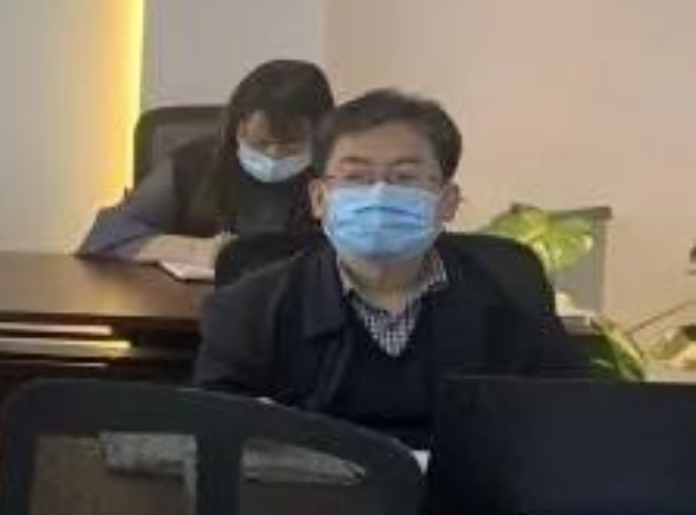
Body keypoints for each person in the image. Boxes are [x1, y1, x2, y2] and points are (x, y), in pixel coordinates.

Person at [194, 88, 592, 445]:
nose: (379, 194)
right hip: (315, 499)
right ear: (319, 199)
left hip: (469, 499)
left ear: (447, 201)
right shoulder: (248, 309)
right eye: (356, 176)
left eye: (404, 177)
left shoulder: (510, 298)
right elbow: (213, 447)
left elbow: (574, 421)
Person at [80, 59, 336, 267]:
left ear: (321, 135)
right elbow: (106, 236)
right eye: (260, 143)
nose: (273, 155)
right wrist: (197, 250)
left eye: (291, 145)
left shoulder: (336, 175)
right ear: (238, 128)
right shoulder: (194, 164)